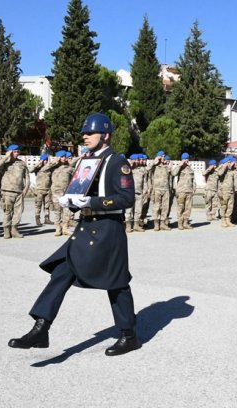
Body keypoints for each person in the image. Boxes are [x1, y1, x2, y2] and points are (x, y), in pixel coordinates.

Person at [8, 112, 140, 357]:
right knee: (61, 272)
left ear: (106, 135)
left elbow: (126, 198)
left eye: (91, 132)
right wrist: (70, 201)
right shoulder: (86, 161)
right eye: (84, 132)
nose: (85, 136)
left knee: (116, 283)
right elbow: (80, 190)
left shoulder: (116, 162)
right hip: (85, 227)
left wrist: (92, 201)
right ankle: (41, 328)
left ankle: (129, 334)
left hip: (108, 229)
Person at [0, 144, 30, 239]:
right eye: (14, 152)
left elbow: (27, 177)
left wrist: (26, 189)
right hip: (7, 192)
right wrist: (6, 157)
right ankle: (6, 231)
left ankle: (14, 230)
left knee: (18, 212)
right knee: (7, 212)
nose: (16, 154)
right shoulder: (4, 163)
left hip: (19, 192)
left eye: (17, 152)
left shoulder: (21, 163)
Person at [171, 152, 196, 230]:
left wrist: (194, 189)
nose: (186, 160)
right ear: (181, 160)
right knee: (180, 208)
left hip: (189, 191)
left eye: (187, 159)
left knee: (188, 208)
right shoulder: (179, 168)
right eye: (184, 159)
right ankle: (180, 224)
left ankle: (185, 223)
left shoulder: (190, 169)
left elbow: (193, 181)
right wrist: (179, 165)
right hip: (181, 191)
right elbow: (173, 173)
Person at [31, 153, 55, 225]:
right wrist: (39, 163)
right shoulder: (37, 168)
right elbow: (30, 169)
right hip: (39, 190)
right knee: (38, 205)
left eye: (46, 160)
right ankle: (37, 219)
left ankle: (47, 219)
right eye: (44, 160)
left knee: (47, 205)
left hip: (47, 189)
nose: (46, 161)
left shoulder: (49, 168)